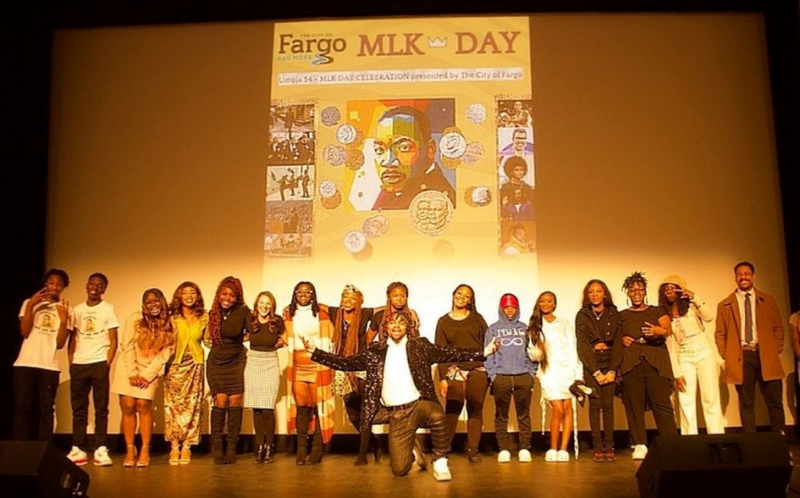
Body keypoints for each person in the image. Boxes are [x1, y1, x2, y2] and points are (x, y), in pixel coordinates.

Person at [303, 310, 498, 481]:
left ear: (407, 327)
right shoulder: (375, 352)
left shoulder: (420, 346)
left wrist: (483, 352)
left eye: (401, 322)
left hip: (418, 406)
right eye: (392, 322)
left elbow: (451, 353)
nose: (396, 326)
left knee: (438, 415)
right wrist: (315, 352)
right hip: (396, 414)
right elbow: (345, 363)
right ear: (386, 327)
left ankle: (440, 461)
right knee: (399, 469)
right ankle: (415, 450)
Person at [715, 261, 785, 434]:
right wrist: (727, 354)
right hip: (742, 356)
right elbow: (720, 334)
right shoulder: (725, 304)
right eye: (740, 274)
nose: (743, 277)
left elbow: (778, 328)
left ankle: (780, 444)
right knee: (746, 404)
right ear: (735, 278)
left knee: (774, 402)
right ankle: (751, 446)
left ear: (753, 276)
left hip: (765, 354)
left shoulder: (768, 300)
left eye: (747, 273)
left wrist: (774, 350)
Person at [614, 272, 677, 461]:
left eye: (640, 289)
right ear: (628, 293)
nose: (636, 293)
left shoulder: (657, 311)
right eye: (633, 290)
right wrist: (621, 339)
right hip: (631, 363)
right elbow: (614, 337)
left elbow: (668, 329)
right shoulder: (621, 315)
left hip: (655, 362)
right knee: (634, 404)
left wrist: (659, 331)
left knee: (662, 404)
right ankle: (639, 443)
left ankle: (670, 442)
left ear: (645, 291)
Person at [112, 288, 175, 467]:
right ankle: (130, 449)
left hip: (150, 369)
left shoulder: (170, 324)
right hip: (128, 367)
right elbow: (127, 345)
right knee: (129, 406)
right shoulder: (135, 318)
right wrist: (132, 372)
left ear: (162, 302)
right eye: (149, 302)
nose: (153, 305)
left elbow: (165, 353)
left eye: (156, 301)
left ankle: (145, 449)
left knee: (143, 405)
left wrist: (147, 375)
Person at [659, 275, 725, 435]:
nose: (669, 291)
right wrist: (676, 373)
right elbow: (669, 344)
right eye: (665, 288)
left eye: (672, 287)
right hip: (683, 355)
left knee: (710, 397)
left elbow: (709, 317)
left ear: (680, 289)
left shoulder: (691, 305)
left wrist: (695, 297)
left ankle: (716, 437)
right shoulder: (663, 313)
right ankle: (690, 438)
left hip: (703, 351)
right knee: (685, 398)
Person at [13, 268, 73, 442]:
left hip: (49, 365)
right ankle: (20, 447)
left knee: (46, 409)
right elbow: (24, 332)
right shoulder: (29, 303)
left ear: (64, 287)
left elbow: (61, 343)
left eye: (59, 284)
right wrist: (31, 305)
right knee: (22, 407)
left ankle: (44, 448)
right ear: (45, 284)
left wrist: (62, 320)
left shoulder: (66, 310)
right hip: (25, 363)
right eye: (51, 282)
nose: (55, 286)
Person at [325, 284, 381, 465]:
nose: (348, 302)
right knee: (352, 414)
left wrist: (408, 310)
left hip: (361, 365)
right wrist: (290, 307)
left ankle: (362, 454)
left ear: (360, 302)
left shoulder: (365, 314)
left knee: (364, 410)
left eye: (353, 299)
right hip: (342, 365)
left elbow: (383, 308)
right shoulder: (335, 313)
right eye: (345, 298)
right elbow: (318, 305)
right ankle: (374, 442)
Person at [67, 272, 119, 466]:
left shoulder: (108, 309)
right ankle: (78, 448)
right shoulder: (76, 310)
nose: (95, 287)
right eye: (92, 284)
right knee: (78, 409)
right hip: (79, 363)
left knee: (101, 408)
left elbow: (114, 339)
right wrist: (71, 362)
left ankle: (101, 448)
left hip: (99, 362)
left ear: (104, 289)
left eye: (99, 285)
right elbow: (72, 339)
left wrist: (107, 363)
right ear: (87, 286)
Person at [434, 284, 490, 463]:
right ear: (453, 295)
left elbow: (487, 344)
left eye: (466, 296)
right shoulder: (443, 321)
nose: (462, 297)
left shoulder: (477, 318)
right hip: (454, 369)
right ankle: (443, 449)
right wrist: (443, 378)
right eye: (459, 293)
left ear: (470, 300)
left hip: (477, 368)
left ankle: (473, 449)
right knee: (452, 408)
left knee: (475, 408)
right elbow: (441, 351)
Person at [284, 281, 336, 465]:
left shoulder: (322, 313)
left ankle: (317, 448)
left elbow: (330, 335)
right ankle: (301, 449)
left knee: (318, 405)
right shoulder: (288, 314)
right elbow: (283, 335)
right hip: (298, 365)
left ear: (313, 294)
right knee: (302, 407)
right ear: (295, 293)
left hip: (317, 364)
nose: (304, 294)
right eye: (300, 291)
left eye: (308, 292)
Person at [484, 293, 537, 463]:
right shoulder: (493, 329)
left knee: (524, 414)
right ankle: (503, 448)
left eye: (513, 307)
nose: (510, 311)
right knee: (501, 415)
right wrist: (493, 375)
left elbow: (532, 352)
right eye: (506, 307)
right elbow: (488, 353)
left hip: (523, 376)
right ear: (501, 308)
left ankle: (524, 448)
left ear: (517, 308)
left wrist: (531, 373)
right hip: (502, 377)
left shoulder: (525, 328)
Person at [369, 106, 456, 210]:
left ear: (430, 149)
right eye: (379, 149)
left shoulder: (437, 201)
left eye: (404, 148)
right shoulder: (392, 192)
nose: (388, 162)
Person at [204, 276, 250, 464]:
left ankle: (232, 448)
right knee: (220, 401)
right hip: (216, 361)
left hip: (236, 360)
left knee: (234, 402)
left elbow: (253, 331)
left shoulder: (244, 311)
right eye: (224, 294)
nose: (227, 298)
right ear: (218, 295)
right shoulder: (212, 312)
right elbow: (206, 337)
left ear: (237, 297)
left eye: (232, 295)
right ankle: (217, 448)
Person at [531, 291, 582, 462]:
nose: (545, 304)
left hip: (566, 370)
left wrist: (577, 374)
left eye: (549, 301)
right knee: (558, 410)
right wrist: (540, 350)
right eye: (542, 301)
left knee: (567, 409)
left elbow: (573, 349)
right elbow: (532, 354)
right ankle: (552, 447)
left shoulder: (565, 324)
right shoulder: (534, 326)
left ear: (554, 304)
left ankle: (563, 449)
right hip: (548, 372)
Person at [575, 279, 622, 462]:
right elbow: (583, 345)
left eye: (598, 291)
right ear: (587, 295)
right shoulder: (582, 315)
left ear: (605, 293)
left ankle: (609, 445)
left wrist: (612, 370)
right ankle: (597, 446)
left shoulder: (613, 313)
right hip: (592, 364)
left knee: (608, 406)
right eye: (591, 292)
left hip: (610, 360)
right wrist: (595, 372)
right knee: (594, 406)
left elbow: (618, 343)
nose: (595, 294)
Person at [164, 281, 208, 465]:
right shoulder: (171, 317)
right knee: (173, 407)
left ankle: (187, 447)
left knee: (193, 407)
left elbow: (208, 340)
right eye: (185, 293)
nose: (189, 296)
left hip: (196, 364)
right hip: (175, 366)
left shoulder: (204, 316)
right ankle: (174, 447)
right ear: (179, 296)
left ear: (197, 296)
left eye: (193, 293)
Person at [244, 291, 285, 464]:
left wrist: (274, 345)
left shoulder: (277, 321)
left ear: (272, 306)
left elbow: (285, 339)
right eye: (261, 302)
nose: (264, 306)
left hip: (269, 362)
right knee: (256, 408)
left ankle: (269, 446)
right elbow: (243, 335)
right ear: (256, 304)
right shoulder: (250, 319)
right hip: (253, 362)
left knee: (267, 408)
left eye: (268, 303)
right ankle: (259, 446)